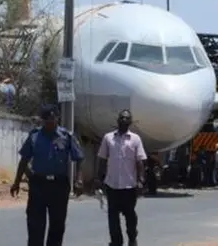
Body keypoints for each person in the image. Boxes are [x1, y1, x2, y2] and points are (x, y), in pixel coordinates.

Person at [11, 104, 84, 246]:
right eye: (47, 121)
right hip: (39, 185)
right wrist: (17, 182)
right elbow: (24, 159)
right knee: (35, 226)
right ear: (42, 120)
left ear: (58, 119)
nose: (50, 123)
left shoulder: (66, 136)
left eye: (53, 120)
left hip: (59, 185)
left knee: (57, 225)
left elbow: (79, 158)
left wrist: (79, 180)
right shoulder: (34, 136)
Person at [97, 110, 148, 246]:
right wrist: (99, 179)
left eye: (126, 118)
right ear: (117, 120)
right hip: (112, 184)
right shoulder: (108, 138)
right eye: (121, 118)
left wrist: (141, 180)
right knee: (112, 217)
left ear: (130, 122)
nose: (124, 120)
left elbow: (140, 162)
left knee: (130, 216)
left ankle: (132, 237)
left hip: (129, 186)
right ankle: (116, 242)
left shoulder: (135, 139)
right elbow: (102, 159)